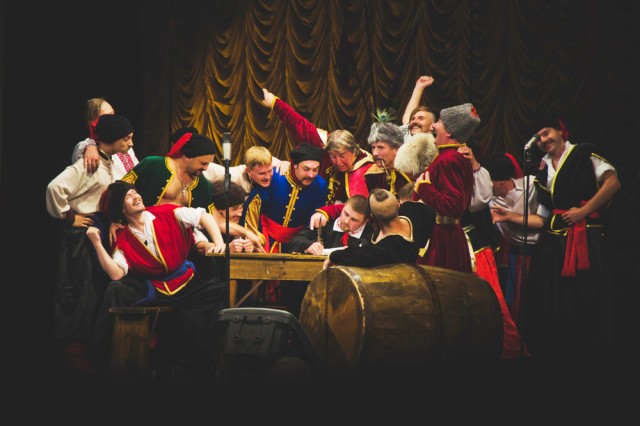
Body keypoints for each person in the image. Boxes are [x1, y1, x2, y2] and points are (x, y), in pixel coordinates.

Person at [86, 181, 227, 381]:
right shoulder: (123, 239)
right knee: (116, 289)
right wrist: (97, 243)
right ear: (121, 208)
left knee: (218, 291)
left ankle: (202, 367)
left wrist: (219, 242)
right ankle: (103, 358)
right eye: (128, 196)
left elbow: (203, 216)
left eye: (135, 192)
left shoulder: (167, 212)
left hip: (185, 282)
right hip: (154, 285)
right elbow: (116, 273)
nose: (136, 197)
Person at [524, 115, 621, 361]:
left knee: (585, 290)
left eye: (547, 133)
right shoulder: (542, 168)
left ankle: (588, 350)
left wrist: (584, 211)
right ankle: (559, 350)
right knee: (556, 295)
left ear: (561, 132)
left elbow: (612, 183)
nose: (543, 140)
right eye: (539, 137)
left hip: (585, 235)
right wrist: (506, 216)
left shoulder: (583, 153)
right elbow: (543, 215)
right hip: (554, 241)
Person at [46, 114, 135, 375]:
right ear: (113, 139)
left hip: (99, 227)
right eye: (126, 139)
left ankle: (91, 349)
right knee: (78, 289)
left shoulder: (108, 161)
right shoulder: (88, 164)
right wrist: (68, 216)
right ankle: (72, 351)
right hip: (81, 234)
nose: (130, 144)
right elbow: (54, 188)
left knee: (95, 290)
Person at [121, 130, 264, 280]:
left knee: (213, 272)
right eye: (203, 163)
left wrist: (247, 233)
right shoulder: (153, 165)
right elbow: (119, 191)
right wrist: (116, 220)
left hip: (178, 249)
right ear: (187, 157)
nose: (206, 168)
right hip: (144, 240)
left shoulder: (202, 185)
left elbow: (216, 219)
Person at [242, 144, 328, 307]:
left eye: (315, 170)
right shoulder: (274, 176)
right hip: (266, 237)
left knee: (294, 291)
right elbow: (254, 208)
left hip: (297, 242)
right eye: (306, 169)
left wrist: (306, 243)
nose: (311, 174)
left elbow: (314, 219)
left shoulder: (321, 185)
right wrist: (253, 238)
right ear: (294, 165)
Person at [260, 88, 374, 204]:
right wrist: (274, 103)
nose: (338, 162)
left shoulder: (368, 169)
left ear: (354, 151)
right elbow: (299, 124)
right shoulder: (325, 145)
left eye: (342, 156)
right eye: (333, 156)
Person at [412, 103, 479, 273]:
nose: (433, 126)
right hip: (442, 235)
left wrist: (424, 189)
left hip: (442, 240)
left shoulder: (449, 159)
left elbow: (453, 206)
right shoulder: (448, 156)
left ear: (449, 131)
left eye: (440, 121)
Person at [284, 195, 374, 317]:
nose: (346, 221)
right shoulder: (324, 223)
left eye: (354, 220)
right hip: (315, 287)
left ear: (365, 221)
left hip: (349, 296)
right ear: (343, 207)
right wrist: (308, 245)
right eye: (345, 214)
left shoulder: (370, 234)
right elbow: (294, 242)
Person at [483, 153, 545, 330]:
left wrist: (510, 216)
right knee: (513, 302)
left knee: (532, 301)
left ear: (502, 181)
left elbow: (543, 220)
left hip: (538, 253)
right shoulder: (490, 198)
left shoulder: (531, 185)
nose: (486, 186)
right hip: (515, 254)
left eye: (489, 181)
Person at [323, 188, 433, 269]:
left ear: (372, 217)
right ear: (398, 205)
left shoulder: (387, 248)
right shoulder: (415, 210)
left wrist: (334, 256)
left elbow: (363, 255)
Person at [71, 97, 140, 180]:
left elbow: (139, 170)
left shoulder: (123, 143)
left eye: (113, 115)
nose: (114, 119)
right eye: (108, 116)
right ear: (92, 122)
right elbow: (83, 147)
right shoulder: (85, 146)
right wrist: (90, 147)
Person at [364, 122, 414, 196]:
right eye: (373, 147)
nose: (375, 153)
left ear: (396, 149)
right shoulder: (372, 175)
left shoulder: (411, 173)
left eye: (380, 147)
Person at [400, 75, 437, 142]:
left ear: (432, 126)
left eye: (421, 118)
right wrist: (419, 87)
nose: (414, 121)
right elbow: (407, 116)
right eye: (412, 119)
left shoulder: (436, 144)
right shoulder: (407, 136)